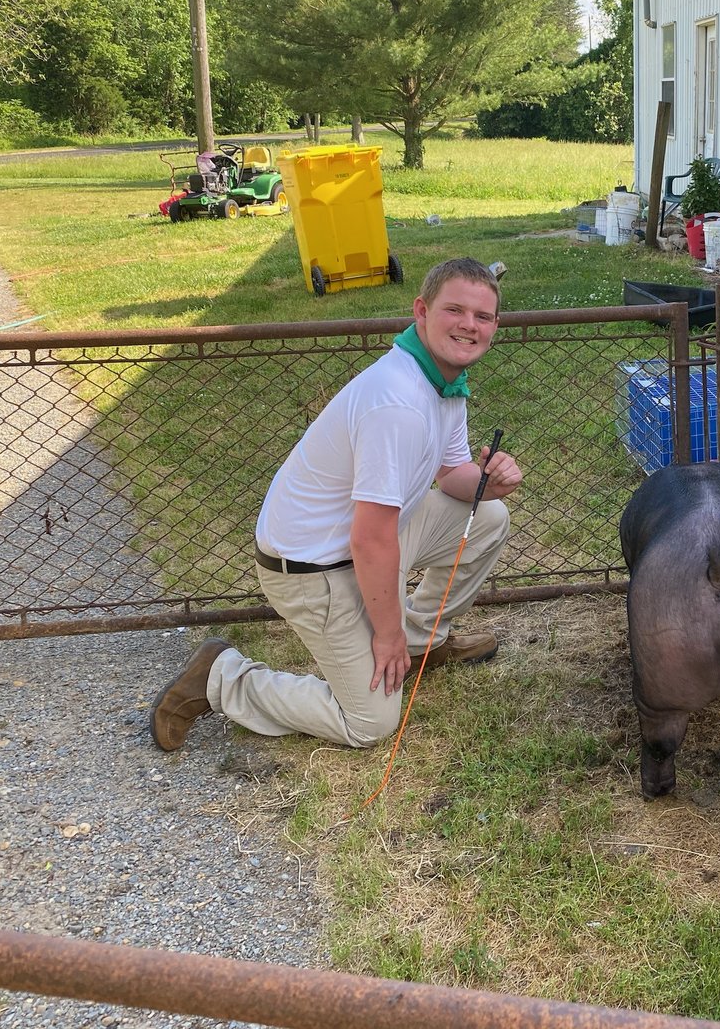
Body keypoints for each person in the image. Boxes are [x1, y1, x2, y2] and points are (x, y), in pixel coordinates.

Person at [150, 257, 522, 751]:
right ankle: (222, 677)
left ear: (495, 326)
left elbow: (452, 474)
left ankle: (420, 646)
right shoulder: (398, 402)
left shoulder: (444, 384)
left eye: (483, 316)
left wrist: (490, 482)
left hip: (365, 543)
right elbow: (370, 539)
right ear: (421, 311)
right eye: (455, 310)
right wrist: (384, 634)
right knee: (370, 722)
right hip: (313, 570)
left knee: (489, 518)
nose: (469, 326)